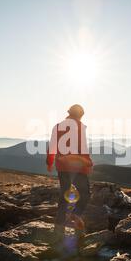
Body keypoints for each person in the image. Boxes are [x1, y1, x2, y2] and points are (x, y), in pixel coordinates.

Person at [46, 104, 93, 247]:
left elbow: (52, 145)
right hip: (77, 166)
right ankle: (75, 216)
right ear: (80, 115)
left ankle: (58, 229)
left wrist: (49, 162)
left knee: (64, 195)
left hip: (62, 165)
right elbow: (82, 147)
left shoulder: (57, 126)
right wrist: (88, 163)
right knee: (84, 194)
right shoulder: (79, 126)